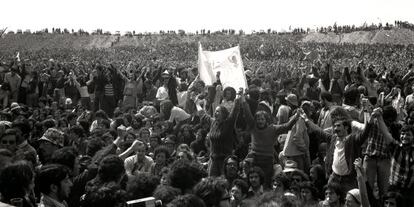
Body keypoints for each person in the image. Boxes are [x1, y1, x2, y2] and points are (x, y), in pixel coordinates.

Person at [303, 107, 374, 193]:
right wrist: (306, 119)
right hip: (334, 178)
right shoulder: (332, 139)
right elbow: (318, 130)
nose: (336, 129)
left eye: (338, 126)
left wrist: (370, 120)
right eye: (335, 126)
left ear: (346, 128)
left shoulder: (353, 140)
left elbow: (365, 133)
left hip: (349, 181)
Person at [243, 91, 300, 189]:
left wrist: (296, 117)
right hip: (255, 158)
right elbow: (248, 115)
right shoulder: (253, 127)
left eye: (262, 119)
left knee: (266, 183)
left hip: (267, 160)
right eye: (258, 119)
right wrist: (243, 101)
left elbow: (286, 126)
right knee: (254, 182)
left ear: (266, 120)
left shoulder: (272, 129)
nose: (260, 121)